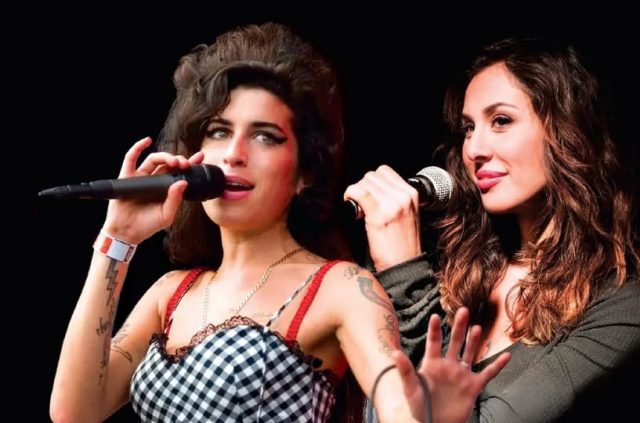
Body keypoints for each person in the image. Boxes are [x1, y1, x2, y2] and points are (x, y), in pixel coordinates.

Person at [49, 22, 508, 423]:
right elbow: (75, 411)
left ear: (305, 170)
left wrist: (429, 411)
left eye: (265, 136)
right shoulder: (172, 292)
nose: (234, 153)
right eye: (218, 131)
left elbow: (396, 404)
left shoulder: (339, 287)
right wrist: (117, 239)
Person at [346, 37, 640, 421]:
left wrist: (404, 273)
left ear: (569, 133)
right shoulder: (452, 266)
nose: (474, 149)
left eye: (501, 121)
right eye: (469, 128)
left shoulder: (622, 306)